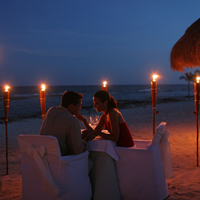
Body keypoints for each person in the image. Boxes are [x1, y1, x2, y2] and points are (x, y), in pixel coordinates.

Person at [39, 91, 94, 156]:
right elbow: (78, 150)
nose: (80, 108)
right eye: (79, 105)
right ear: (71, 106)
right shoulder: (72, 120)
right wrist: (87, 139)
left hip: (43, 156)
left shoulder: (51, 111)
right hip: (62, 159)